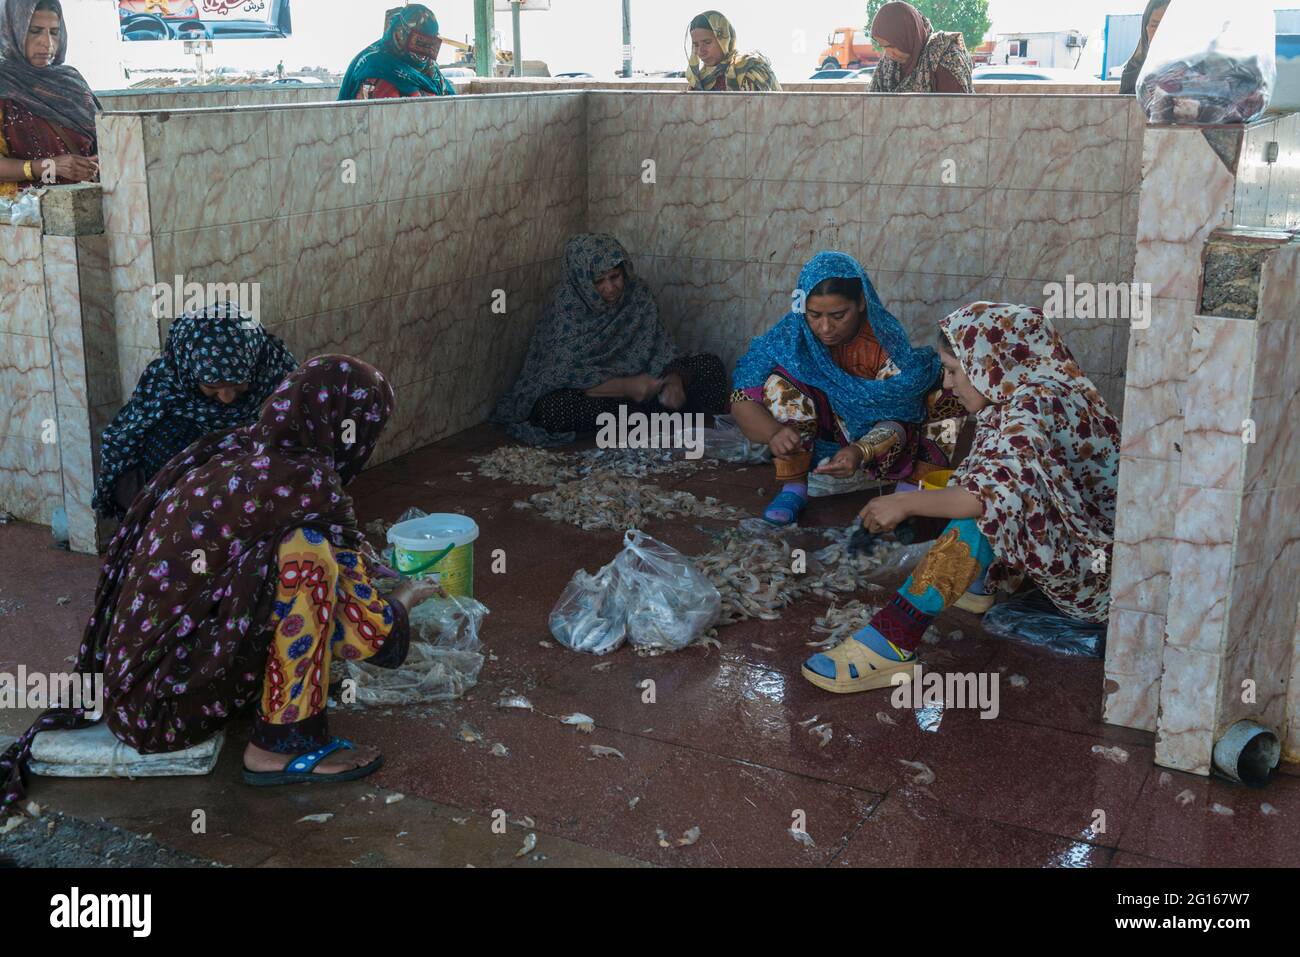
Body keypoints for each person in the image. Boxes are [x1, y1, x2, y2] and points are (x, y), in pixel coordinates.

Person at [1, 357, 443, 812]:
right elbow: (370, 636)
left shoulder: (233, 447)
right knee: (308, 556)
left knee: (290, 560)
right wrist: (406, 598)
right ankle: (280, 747)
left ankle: (267, 716)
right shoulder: (307, 483)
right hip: (165, 714)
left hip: (130, 687)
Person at [801, 303, 1120, 693]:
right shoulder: (1032, 387)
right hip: (1086, 550)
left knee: (983, 514)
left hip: (1104, 578)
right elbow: (1005, 476)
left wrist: (904, 503)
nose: (948, 385)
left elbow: (990, 497)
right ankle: (979, 582)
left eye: (953, 371)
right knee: (986, 492)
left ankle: (890, 643)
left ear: (991, 363)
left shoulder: (1033, 407)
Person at [730, 252, 964, 527]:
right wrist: (775, 433)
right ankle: (794, 487)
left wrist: (859, 451)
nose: (825, 328)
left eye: (838, 315)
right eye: (814, 315)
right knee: (780, 382)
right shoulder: (788, 338)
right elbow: (742, 398)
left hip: (881, 444)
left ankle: (912, 488)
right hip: (821, 441)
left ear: (862, 302)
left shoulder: (884, 347)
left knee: (946, 390)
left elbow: (901, 418)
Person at [492, 233, 730, 445]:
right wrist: (626, 387)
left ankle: (641, 418)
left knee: (709, 366)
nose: (610, 288)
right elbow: (561, 372)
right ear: (582, 282)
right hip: (599, 394)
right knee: (552, 410)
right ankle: (644, 419)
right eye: (598, 282)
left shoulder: (638, 295)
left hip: (646, 388)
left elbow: (663, 350)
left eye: (615, 277)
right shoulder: (568, 305)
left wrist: (674, 381)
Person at [92, 303, 298, 521]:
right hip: (182, 523)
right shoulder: (165, 388)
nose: (227, 397)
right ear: (189, 374)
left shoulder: (275, 374)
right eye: (212, 386)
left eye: (239, 383)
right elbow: (122, 448)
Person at [0, 0, 99, 199]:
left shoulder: (72, 83)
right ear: (12, 31)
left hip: (86, 205)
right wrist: (49, 166)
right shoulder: (4, 85)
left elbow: (99, 141)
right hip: (24, 216)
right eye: (34, 31)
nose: (47, 42)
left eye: (54, 32)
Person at [338, 3, 456, 100]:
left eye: (430, 44)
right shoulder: (376, 65)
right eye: (420, 42)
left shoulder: (429, 67)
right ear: (401, 34)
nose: (423, 55)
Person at [868, 1, 974, 94]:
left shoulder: (946, 59)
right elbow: (870, 105)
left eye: (891, 46)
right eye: (883, 47)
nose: (888, 54)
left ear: (907, 35)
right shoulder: (888, 66)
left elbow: (955, 112)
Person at [686, 10, 780, 92]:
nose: (700, 51)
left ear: (724, 40)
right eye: (696, 45)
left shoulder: (748, 70)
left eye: (707, 42)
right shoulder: (698, 80)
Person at [1119, 0, 1170, 95]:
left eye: (1166, 25)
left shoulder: (1193, 71)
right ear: (1145, 29)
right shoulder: (1133, 69)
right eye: (1154, 26)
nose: (1160, 32)